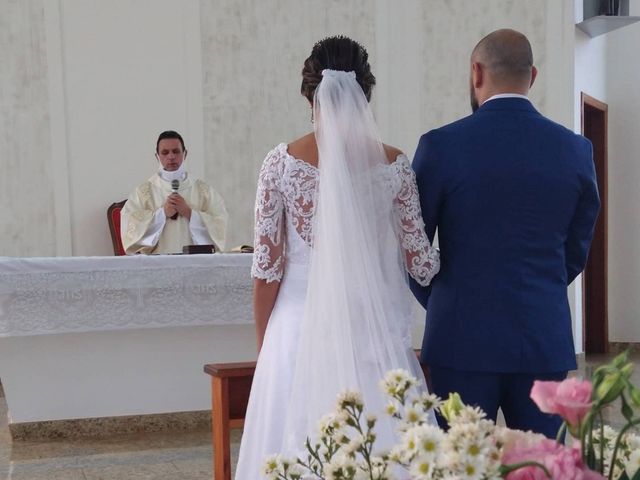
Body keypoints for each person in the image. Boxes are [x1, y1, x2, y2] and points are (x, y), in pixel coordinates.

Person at [235, 36, 440, 478]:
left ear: (308, 92)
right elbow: (422, 264)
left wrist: (265, 348)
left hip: (295, 329)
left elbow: (266, 271)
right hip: (371, 330)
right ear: (366, 92)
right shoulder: (395, 166)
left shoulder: (281, 163)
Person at [410, 29, 600, 438]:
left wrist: (447, 297)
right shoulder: (575, 150)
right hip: (542, 336)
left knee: (459, 465)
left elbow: (413, 248)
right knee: (539, 465)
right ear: (532, 76)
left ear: (476, 72)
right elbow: (576, 250)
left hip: (459, 337)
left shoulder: (440, 146)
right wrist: (541, 285)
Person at [120, 130, 228, 254]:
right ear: (157, 156)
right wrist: (162, 214)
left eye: (176, 151)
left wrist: (189, 213)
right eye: (165, 152)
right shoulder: (143, 192)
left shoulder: (204, 191)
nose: (171, 156)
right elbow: (129, 226)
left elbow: (219, 222)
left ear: (185, 154)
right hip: (157, 264)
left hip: (195, 262)